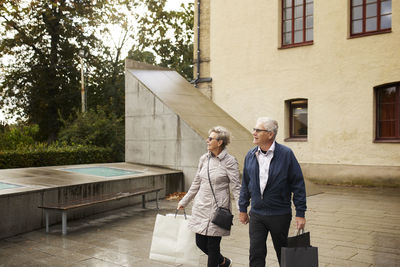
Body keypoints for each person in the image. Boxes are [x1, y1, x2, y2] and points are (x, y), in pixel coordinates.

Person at [239, 117, 307, 266]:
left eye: (258, 130)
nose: (254, 133)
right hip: (257, 214)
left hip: (279, 214)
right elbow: (245, 184)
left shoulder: (286, 154)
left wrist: (300, 213)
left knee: (283, 254)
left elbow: (298, 185)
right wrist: (243, 208)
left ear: (270, 134)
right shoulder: (250, 155)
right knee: (256, 254)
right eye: (254, 129)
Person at [177, 126, 241, 267]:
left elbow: (236, 186)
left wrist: (241, 210)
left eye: (210, 138)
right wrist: (184, 201)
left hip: (218, 210)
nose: (207, 140)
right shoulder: (204, 159)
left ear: (219, 142)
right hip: (201, 206)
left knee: (213, 247)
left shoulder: (230, 161)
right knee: (200, 243)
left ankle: (219, 263)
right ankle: (224, 262)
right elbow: (196, 182)